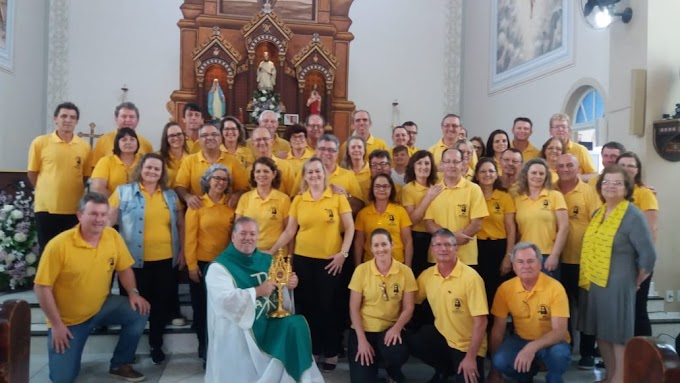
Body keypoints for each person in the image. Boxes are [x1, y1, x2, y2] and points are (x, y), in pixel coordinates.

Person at [34, 192, 150, 383]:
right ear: (80, 215)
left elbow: (125, 268)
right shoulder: (58, 245)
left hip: (101, 306)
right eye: (93, 214)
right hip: (68, 321)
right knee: (62, 378)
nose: (99, 219)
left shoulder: (112, 235)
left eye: (104, 214)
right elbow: (41, 287)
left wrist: (133, 293)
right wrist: (56, 324)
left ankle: (120, 364)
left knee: (139, 310)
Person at [204, 217, 323, 382]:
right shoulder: (219, 267)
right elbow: (225, 301)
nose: (248, 238)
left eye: (252, 234)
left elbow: (280, 286)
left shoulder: (267, 260)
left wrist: (289, 284)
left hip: (269, 319)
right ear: (233, 237)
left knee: (296, 326)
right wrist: (257, 291)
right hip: (240, 327)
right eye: (243, 233)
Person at [267, 157, 355, 372]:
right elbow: (290, 231)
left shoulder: (337, 197)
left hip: (330, 262)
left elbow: (350, 228)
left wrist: (342, 254)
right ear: (304, 176)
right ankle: (313, 350)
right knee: (308, 308)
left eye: (318, 172)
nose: (314, 176)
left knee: (329, 307)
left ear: (324, 174)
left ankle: (332, 351)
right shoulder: (298, 200)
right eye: (310, 173)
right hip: (303, 261)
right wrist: (271, 251)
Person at [578, 165, 656, 383]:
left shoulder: (633, 215)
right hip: (595, 283)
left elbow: (648, 255)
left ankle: (621, 378)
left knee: (619, 336)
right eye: (606, 182)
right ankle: (610, 375)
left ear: (627, 187)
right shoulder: (598, 213)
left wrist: (636, 282)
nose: (610, 186)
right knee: (602, 333)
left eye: (617, 182)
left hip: (619, 284)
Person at [108, 153, 184, 365]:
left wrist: (182, 252)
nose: (152, 172)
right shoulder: (123, 193)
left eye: (156, 169)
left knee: (160, 308)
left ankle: (156, 345)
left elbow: (180, 224)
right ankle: (127, 351)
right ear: (141, 168)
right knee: (132, 309)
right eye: (148, 167)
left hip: (164, 261)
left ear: (162, 174)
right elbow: (108, 224)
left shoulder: (170, 196)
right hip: (132, 264)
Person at [408, 229, 488, 383]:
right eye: (438, 245)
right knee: (414, 339)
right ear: (432, 250)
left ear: (456, 247)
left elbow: (481, 322)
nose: (443, 249)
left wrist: (471, 358)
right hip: (443, 338)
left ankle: (457, 366)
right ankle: (444, 370)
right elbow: (411, 301)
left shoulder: (471, 278)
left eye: (447, 245)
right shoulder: (427, 275)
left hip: (467, 346)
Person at [488, 242, 571, 383]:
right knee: (500, 360)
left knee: (559, 355)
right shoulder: (505, 289)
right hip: (520, 340)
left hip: (551, 342)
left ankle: (554, 378)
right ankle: (525, 375)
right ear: (514, 266)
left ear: (540, 264)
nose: (525, 266)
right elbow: (497, 331)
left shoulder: (555, 288)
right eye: (520, 262)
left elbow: (560, 332)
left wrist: (531, 348)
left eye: (530, 261)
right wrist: (495, 372)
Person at [348, 229, 417, 383]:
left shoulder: (405, 272)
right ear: (371, 249)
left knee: (395, 352)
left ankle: (392, 370)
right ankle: (373, 368)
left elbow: (409, 307)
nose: (381, 249)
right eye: (376, 245)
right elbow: (353, 308)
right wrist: (362, 340)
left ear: (392, 245)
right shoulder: (361, 271)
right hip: (363, 330)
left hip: (389, 329)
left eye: (384, 244)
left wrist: (397, 328)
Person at [184, 164, 236, 362]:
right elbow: (189, 238)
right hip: (202, 265)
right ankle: (204, 348)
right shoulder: (197, 205)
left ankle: (224, 349)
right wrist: (191, 265)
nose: (220, 182)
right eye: (216, 178)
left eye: (224, 179)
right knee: (202, 309)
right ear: (208, 181)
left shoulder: (231, 205)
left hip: (226, 266)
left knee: (224, 309)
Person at [28, 102, 93, 255]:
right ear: (55, 119)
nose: (68, 120)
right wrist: (46, 191)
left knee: (70, 252)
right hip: (46, 209)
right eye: (63, 116)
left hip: (73, 209)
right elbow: (32, 172)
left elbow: (84, 176)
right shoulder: (40, 142)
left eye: (72, 117)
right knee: (48, 252)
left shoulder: (84, 147)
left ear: (76, 122)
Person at [554, 153, 600, 369]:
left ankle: (588, 352)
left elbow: (599, 223)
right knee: (561, 309)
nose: (564, 169)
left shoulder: (588, 191)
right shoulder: (551, 189)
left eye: (569, 165)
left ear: (578, 167)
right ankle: (563, 348)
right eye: (560, 165)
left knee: (586, 309)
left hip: (582, 261)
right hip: (555, 260)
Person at [616, 151, 658, 338]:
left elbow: (651, 231)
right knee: (620, 311)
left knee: (637, 308)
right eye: (622, 165)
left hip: (637, 261)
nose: (626, 169)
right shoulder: (613, 194)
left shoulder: (645, 193)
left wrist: (643, 266)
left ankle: (644, 357)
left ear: (637, 170)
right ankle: (624, 355)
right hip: (617, 262)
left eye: (631, 165)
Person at [424, 148, 488, 268]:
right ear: (442, 164)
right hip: (438, 257)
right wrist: (451, 241)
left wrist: (449, 241)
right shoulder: (434, 190)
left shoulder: (474, 189)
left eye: (455, 161)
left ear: (463, 163)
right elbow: (429, 224)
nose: (451, 165)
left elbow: (476, 223)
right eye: (447, 161)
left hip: (466, 257)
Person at [513, 158, 568, 279]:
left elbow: (564, 227)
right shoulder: (518, 199)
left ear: (546, 176)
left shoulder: (555, 196)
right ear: (526, 175)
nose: (538, 176)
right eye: (533, 173)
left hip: (547, 256)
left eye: (541, 173)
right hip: (524, 256)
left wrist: (555, 255)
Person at [473, 157, 516, 307]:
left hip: (498, 248)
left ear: (496, 174)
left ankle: (495, 329)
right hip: (475, 248)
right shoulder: (471, 194)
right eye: (483, 171)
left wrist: (508, 256)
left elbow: (511, 229)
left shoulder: (504, 197)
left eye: (491, 171)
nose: (487, 174)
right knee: (477, 291)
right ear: (477, 175)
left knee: (496, 293)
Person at [174, 123, 248, 209]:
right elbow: (179, 186)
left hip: (226, 211)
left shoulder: (233, 161)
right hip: (197, 211)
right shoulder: (189, 161)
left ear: (220, 139)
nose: (210, 138)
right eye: (204, 135)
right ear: (199, 140)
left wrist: (236, 195)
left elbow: (244, 187)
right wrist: (188, 197)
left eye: (214, 134)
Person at [290, 134, 364, 214]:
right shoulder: (305, 172)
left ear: (337, 153)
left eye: (331, 150)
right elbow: (293, 200)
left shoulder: (348, 175)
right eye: (322, 149)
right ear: (316, 151)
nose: (326, 153)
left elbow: (359, 206)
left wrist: (347, 196)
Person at [354, 174, 413, 266]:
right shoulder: (363, 214)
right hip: (370, 264)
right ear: (372, 189)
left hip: (397, 263)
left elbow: (408, 241)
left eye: (385, 186)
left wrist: (408, 267)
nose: (381, 189)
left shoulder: (400, 211)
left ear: (391, 189)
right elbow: (359, 243)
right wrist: (358, 266)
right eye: (377, 186)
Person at [401, 150, 442, 277]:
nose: (423, 167)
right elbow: (412, 220)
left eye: (427, 163)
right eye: (419, 163)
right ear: (413, 166)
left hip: (437, 236)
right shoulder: (407, 189)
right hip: (417, 238)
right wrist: (428, 197)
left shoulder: (438, 186)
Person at [236, 157, 291, 250]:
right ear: (253, 174)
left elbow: (288, 231)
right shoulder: (245, 198)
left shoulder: (284, 199)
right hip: (249, 256)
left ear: (274, 174)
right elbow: (237, 230)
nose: (262, 174)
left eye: (266, 171)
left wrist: (275, 252)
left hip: (276, 257)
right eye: (258, 171)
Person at [91, 127, 142, 197]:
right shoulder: (106, 161)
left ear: (137, 143)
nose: (128, 142)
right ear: (117, 143)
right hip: (110, 205)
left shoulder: (144, 162)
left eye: (132, 139)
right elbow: (98, 188)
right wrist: (119, 202)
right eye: (124, 140)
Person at [548, 113, 597, 181]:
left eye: (563, 126)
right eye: (557, 127)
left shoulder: (580, 150)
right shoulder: (546, 151)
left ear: (568, 130)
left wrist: (575, 178)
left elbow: (594, 175)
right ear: (550, 131)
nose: (560, 129)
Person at [249, 127, 296, 196]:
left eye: (265, 139)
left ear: (272, 141)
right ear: (253, 143)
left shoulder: (286, 167)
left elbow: (292, 195)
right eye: (258, 140)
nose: (262, 142)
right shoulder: (249, 170)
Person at [159, 121, 189, 187]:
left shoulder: (190, 158)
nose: (176, 138)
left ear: (184, 136)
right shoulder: (158, 158)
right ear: (166, 139)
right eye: (172, 135)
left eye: (179, 134)